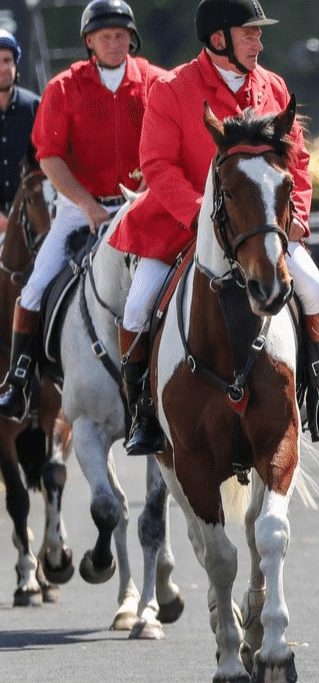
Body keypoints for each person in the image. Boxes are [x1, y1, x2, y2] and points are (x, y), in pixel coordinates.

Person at [107, 0, 319, 454]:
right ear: (219, 38)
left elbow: (296, 164)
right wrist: (199, 213)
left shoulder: (273, 87)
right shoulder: (171, 88)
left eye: (259, 35)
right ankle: (143, 413)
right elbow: (158, 165)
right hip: (180, 225)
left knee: (318, 291)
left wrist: (298, 215)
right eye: (250, 34)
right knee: (138, 305)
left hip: (260, 227)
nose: (259, 42)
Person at [0, 0, 168, 422]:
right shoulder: (62, 87)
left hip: (141, 208)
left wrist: (145, 192)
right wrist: (87, 205)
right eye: (105, 37)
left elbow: (167, 144)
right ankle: (19, 379)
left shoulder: (156, 83)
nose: (114, 43)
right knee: (35, 287)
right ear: (89, 42)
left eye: (121, 35)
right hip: (81, 209)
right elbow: (50, 158)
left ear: (132, 38)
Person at [0, 29, 41, 227]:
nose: (3, 68)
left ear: (16, 63)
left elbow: (47, 166)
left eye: (7, 60)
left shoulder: (35, 107)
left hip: (32, 219)